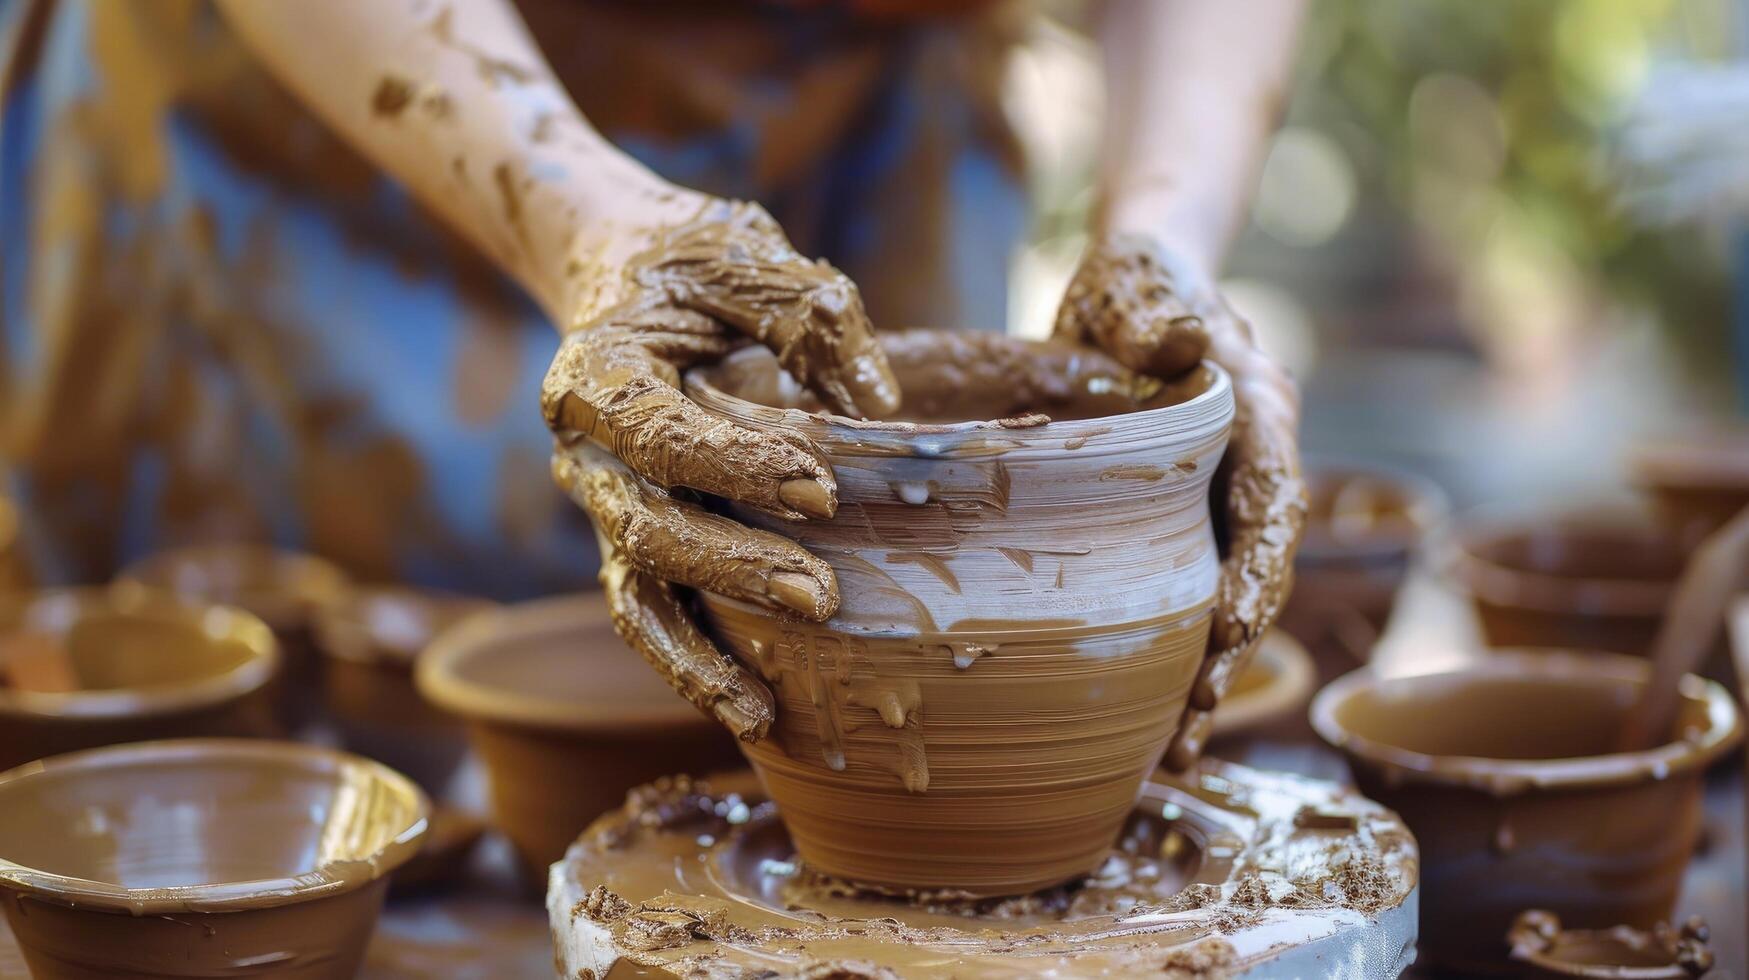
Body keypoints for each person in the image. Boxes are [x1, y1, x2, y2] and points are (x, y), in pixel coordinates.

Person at [1, 0, 1305, 763]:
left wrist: (1162, 230)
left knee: (876, 654)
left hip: (855, 100)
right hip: (344, 105)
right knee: (258, 748)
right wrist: (579, 224)